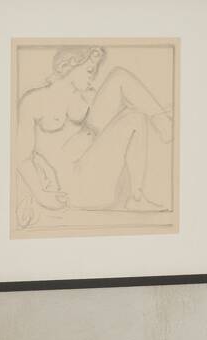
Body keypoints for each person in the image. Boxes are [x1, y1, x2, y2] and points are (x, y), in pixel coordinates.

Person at [14, 46, 174, 227]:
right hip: (73, 191)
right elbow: (22, 157)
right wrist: (42, 196)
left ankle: (136, 196)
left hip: (95, 179)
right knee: (120, 82)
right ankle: (166, 124)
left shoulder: (84, 97)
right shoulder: (33, 101)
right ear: (69, 66)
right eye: (90, 70)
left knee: (132, 109)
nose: (93, 76)